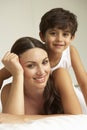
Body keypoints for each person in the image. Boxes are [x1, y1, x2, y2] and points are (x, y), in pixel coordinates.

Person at [0, 37, 82, 119]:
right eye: (31, 65)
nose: (41, 72)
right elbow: (12, 124)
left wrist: (25, 118)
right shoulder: (8, 90)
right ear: (17, 67)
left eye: (45, 62)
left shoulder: (60, 76)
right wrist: (17, 74)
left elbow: (76, 118)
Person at [39, 8, 87, 112]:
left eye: (65, 34)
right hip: (44, 97)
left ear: (72, 38)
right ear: (42, 36)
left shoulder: (70, 51)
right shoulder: (36, 52)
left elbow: (83, 81)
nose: (59, 39)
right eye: (53, 33)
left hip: (65, 93)